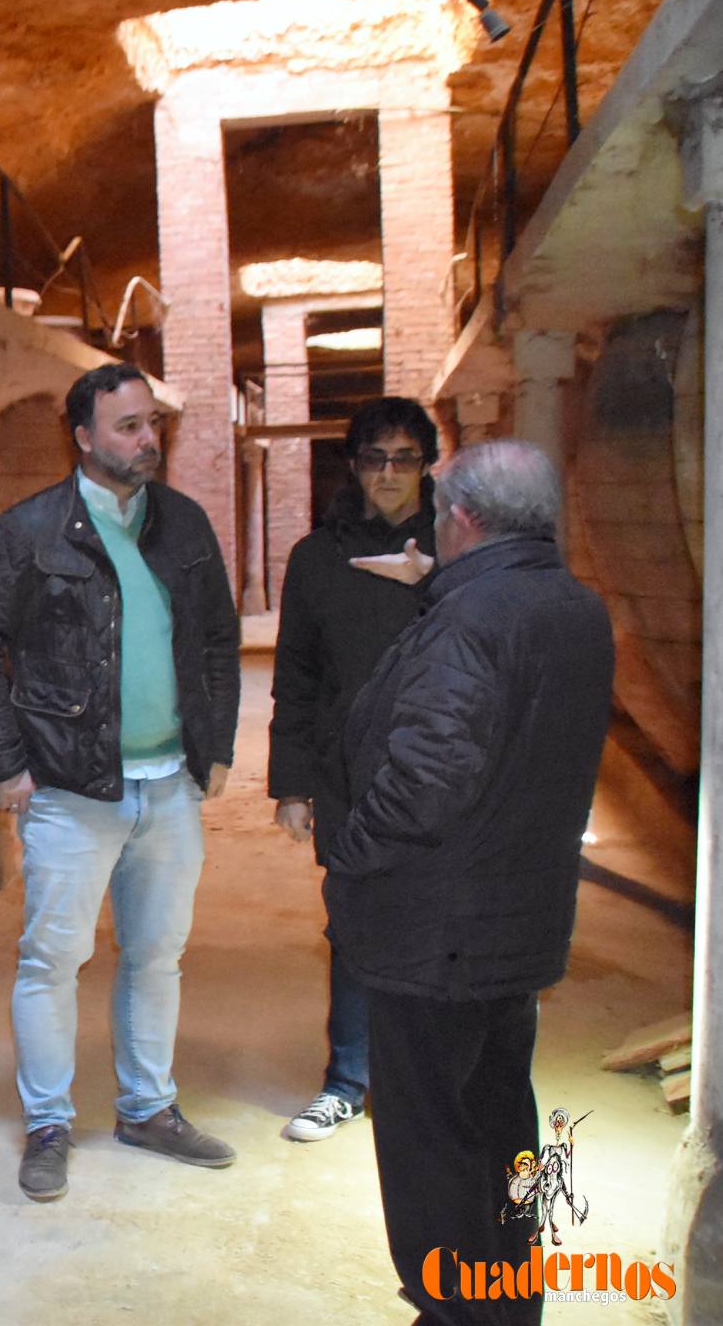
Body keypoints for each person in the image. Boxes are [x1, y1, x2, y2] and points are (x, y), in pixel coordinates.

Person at [324, 440, 613, 1325]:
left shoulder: (471, 624)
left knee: (429, 1142)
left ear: (465, 520)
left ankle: (453, 1310)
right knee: (498, 1125)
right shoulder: (573, 607)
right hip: (515, 925)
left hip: (436, 934)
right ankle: (507, 1301)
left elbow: (422, 782)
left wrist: (350, 854)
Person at [0, 362, 241, 1204]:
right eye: (126, 427)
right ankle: (48, 1123)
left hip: (168, 786)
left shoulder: (183, 525)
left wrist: (213, 744)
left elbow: (219, 639)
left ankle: (148, 1108)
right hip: (73, 791)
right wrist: (7, 765)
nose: (146, 440)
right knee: (52, 959)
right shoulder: (31, 530)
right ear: (83, 437)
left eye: (151, 424)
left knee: (157, 955)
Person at [268, 397, 441, 1143]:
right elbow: (296, 673)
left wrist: (431, 583)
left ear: (428, 465)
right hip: (350, 773)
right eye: (375, 459)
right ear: (354, 466)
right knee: (356, 926)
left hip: (441, 772)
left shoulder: (460, 548)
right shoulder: (318, 558)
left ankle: (428, 1083)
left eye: (405, 458)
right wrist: (291, 783)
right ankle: (348, 1080)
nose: (390, 475)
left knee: (441, 921)